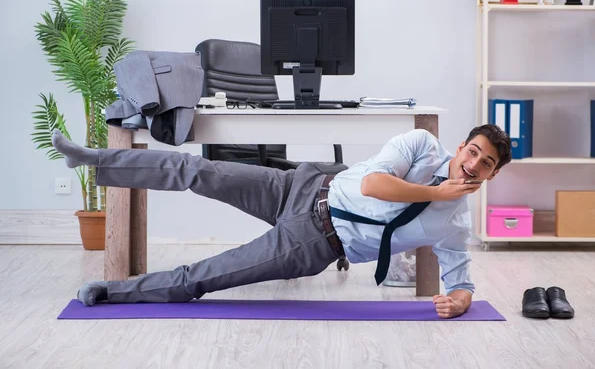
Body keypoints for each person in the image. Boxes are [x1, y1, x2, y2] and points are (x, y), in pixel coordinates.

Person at [51, 123, 511, 319]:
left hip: (314, 242)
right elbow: (372, 185)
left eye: (485, 163)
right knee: (197, 170)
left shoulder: (455, 223)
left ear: (492, 173)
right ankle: (94, 160)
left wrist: (461, 302)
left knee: (206, 276)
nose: (472, 165)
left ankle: (111, 293)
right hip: (301, 186)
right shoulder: (423, 144)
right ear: (461, 145)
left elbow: (460, 279)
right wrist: (436, 191)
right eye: (473, 151)